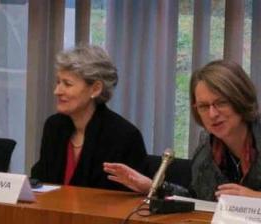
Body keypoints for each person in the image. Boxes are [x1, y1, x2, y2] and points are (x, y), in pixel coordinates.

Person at [104, 60, 261, 201]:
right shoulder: (208, 147)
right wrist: (152, 186)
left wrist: (255, 198)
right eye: (204, 106)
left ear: (241, 99)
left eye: (221, 103)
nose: (212, 114)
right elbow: (197, 199)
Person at [31, 45, 147, 190]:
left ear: (95, 89)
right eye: (58, 82)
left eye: (67, 84)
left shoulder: (123, 136)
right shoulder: (54, 126)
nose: (57, 91)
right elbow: (40, 181)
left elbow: (131, 198)